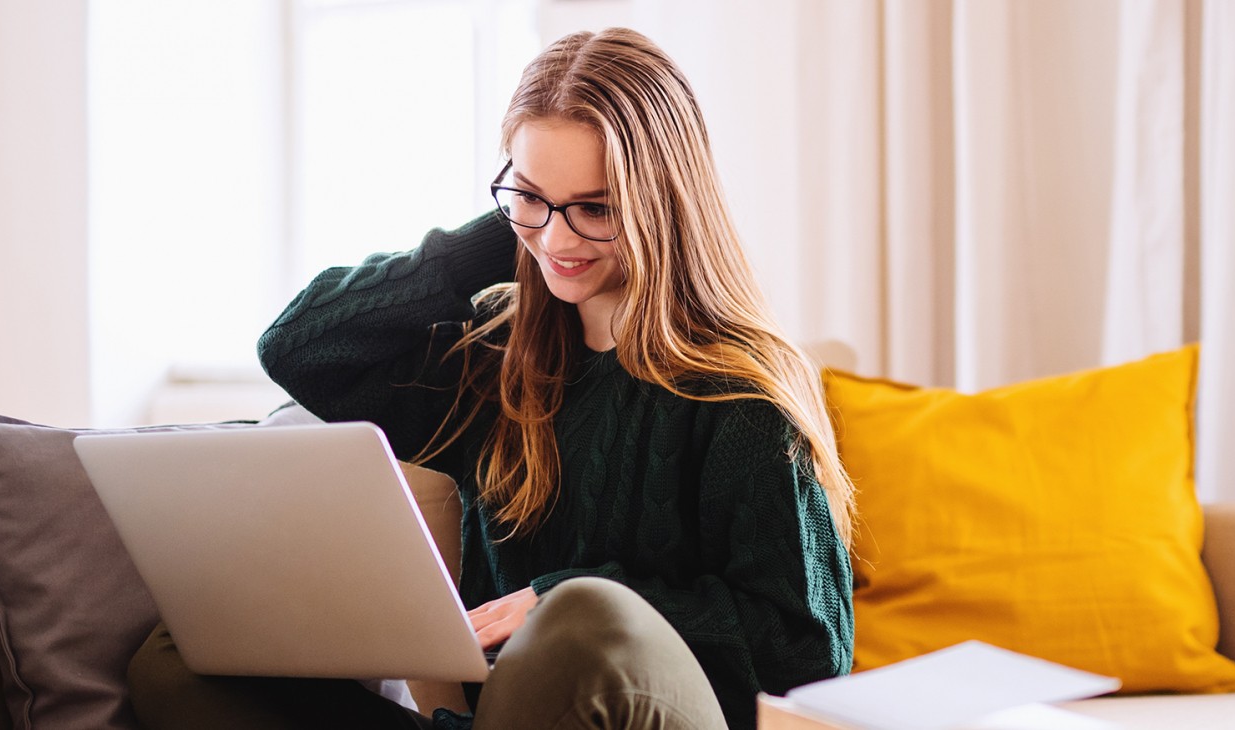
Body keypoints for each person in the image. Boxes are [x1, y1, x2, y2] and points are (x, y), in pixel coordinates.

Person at [125, 27, 855, 730]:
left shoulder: (741, 392)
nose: (559, 239)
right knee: (182, 660)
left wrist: (560, 600)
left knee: (582, 623)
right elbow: (300, 346)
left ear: (662, 204)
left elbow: (809, 650)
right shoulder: (493, 360)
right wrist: (503, 238)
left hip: (647, 712)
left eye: (595, 208)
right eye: (531, 197)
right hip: (495, 718)